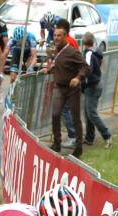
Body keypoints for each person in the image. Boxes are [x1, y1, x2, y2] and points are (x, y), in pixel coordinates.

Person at [45, 20, 88, 158]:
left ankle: (79, 146)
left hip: (72, 89)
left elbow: (86, 67)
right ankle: (57, 143)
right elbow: (61, 65)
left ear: (65, 37)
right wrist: (51, 69)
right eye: (55, 35)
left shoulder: (72, 51)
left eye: (59, 36)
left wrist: (78, 78)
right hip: (59, 87)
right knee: (55, 114)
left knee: (76, 117)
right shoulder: (57, 51)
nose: (56, 38)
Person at [81, 33, 112, 149]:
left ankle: (107, 135)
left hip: (92, 86)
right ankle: (89, 137)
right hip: (94, 85)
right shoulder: (95, 52)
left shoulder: (89, 54)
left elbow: (87, 69)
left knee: (91, 113)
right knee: (87, 113)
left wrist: (81, 80)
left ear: (84, 43)